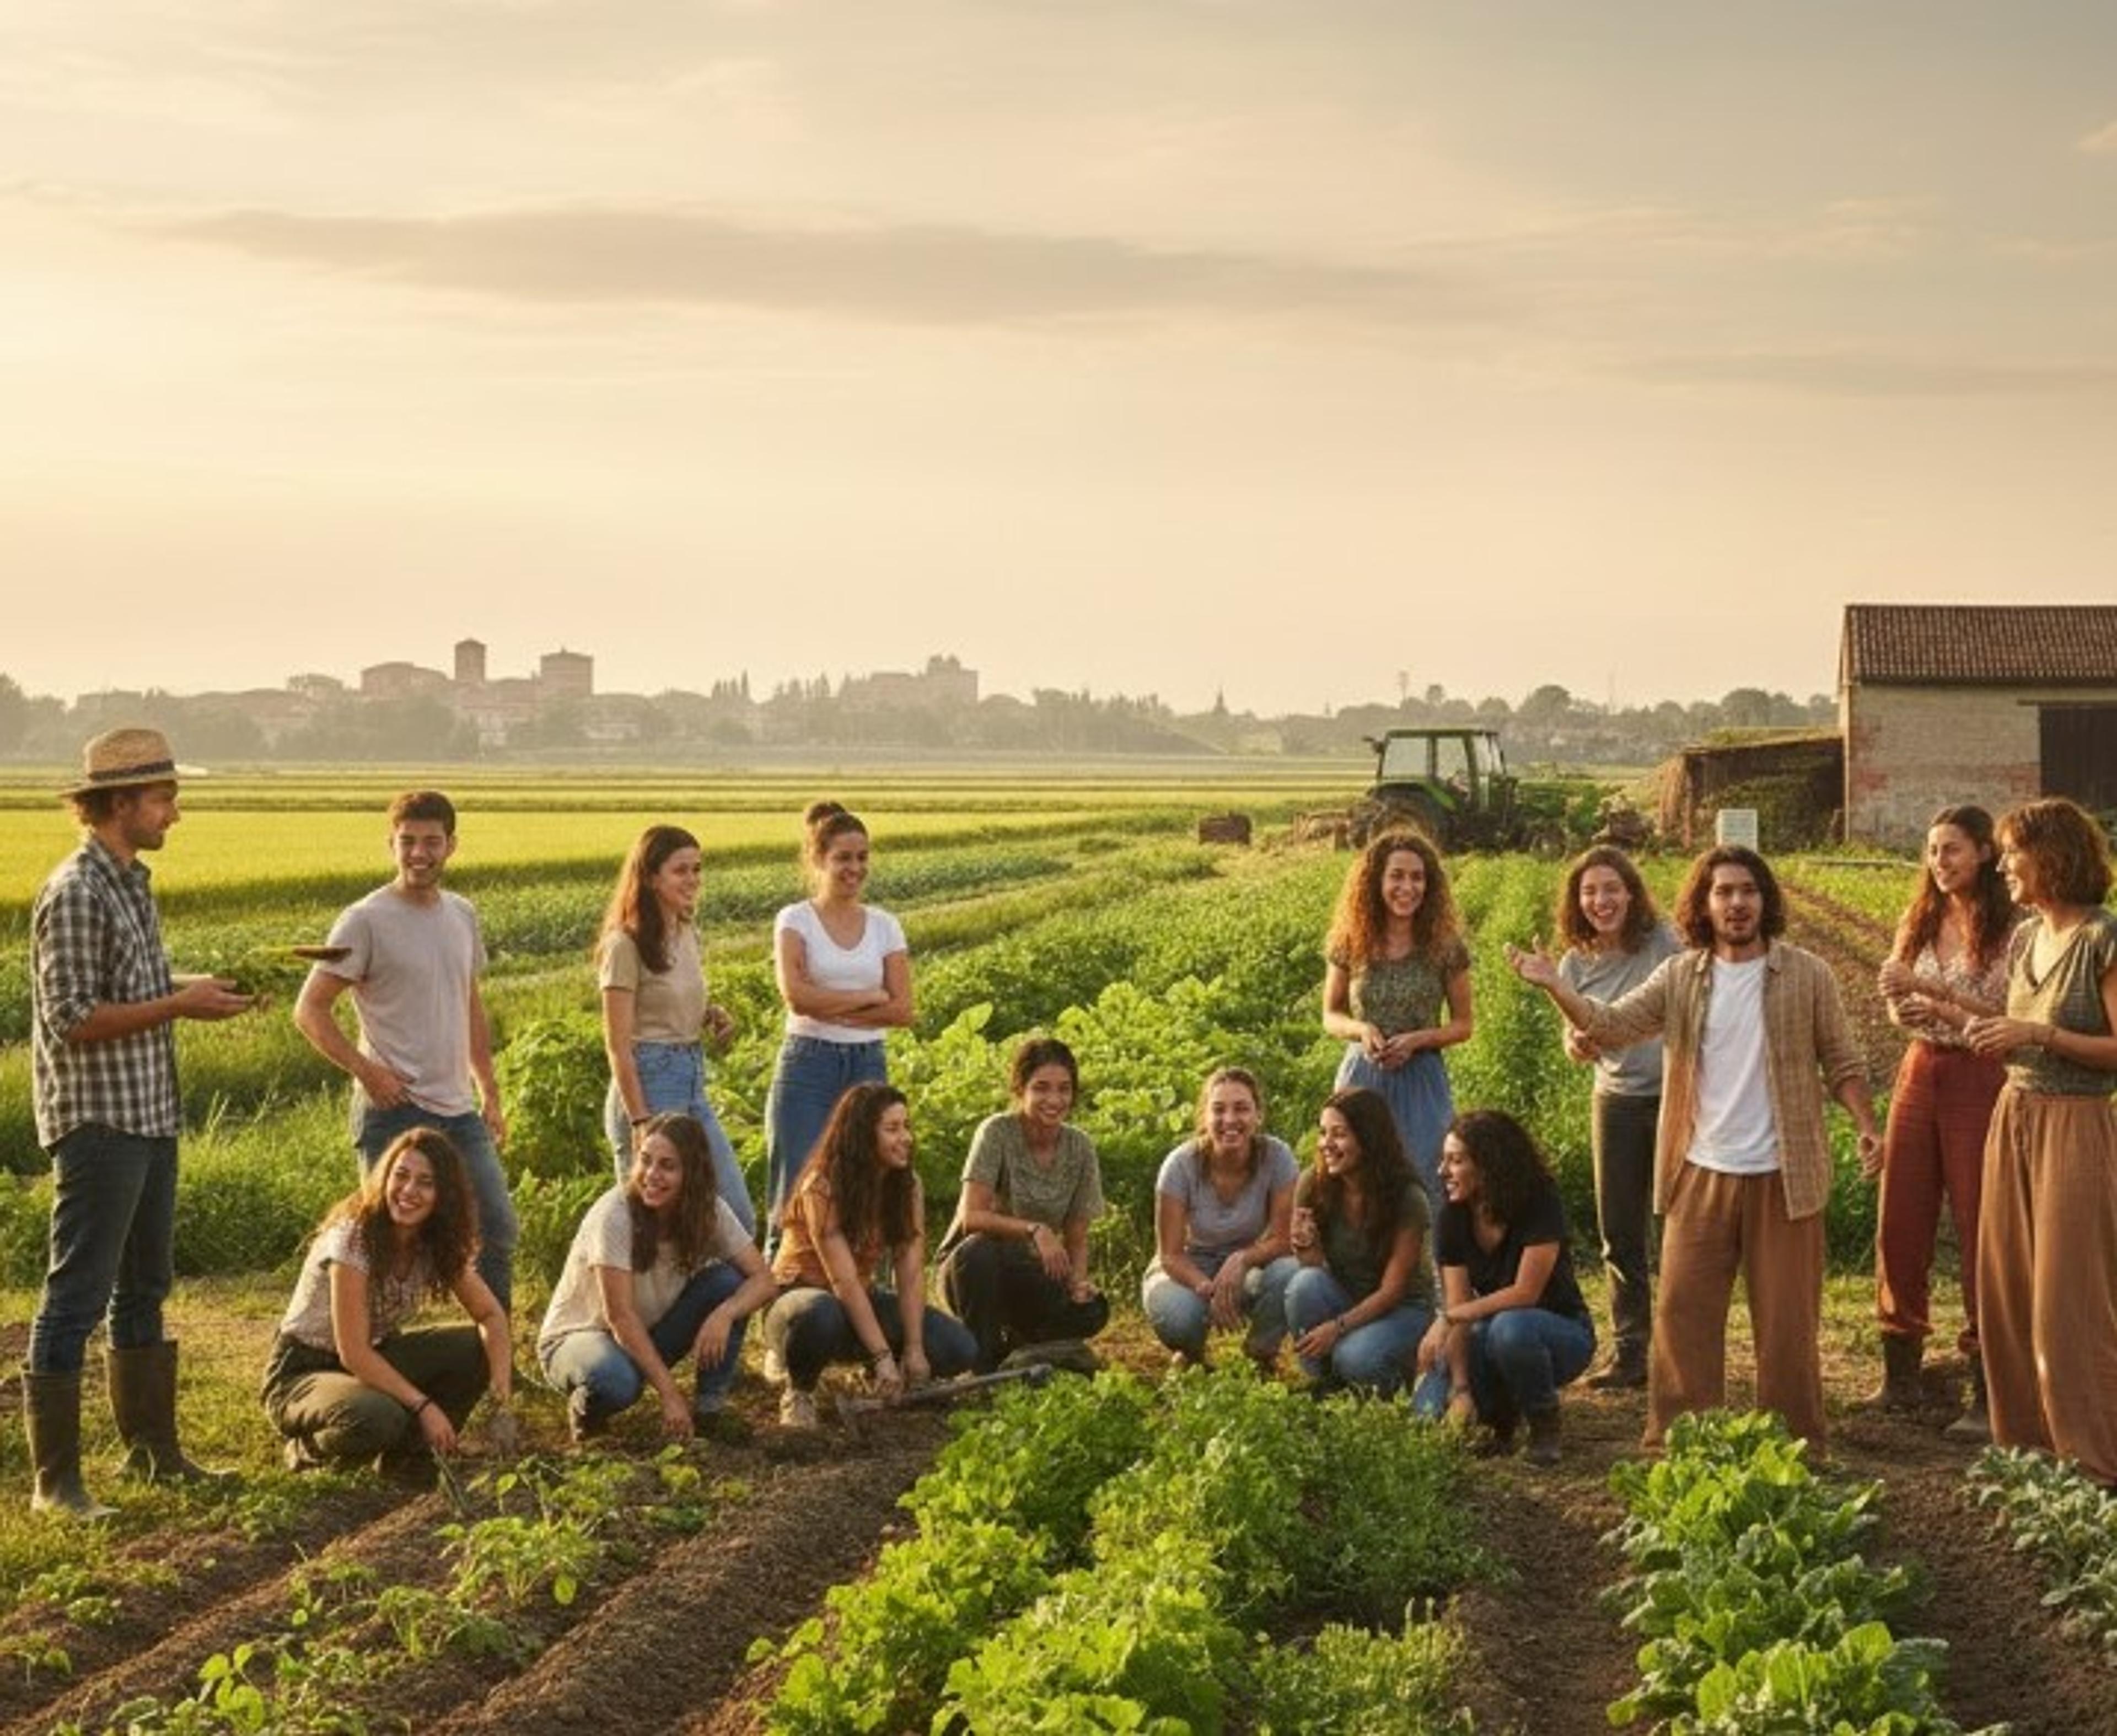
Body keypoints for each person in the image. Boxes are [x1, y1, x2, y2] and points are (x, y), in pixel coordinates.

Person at [1506, 845, 1880, 1450]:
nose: (1737, 903)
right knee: (1684, 1319)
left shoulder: (1807, 974)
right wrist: (1555, 985)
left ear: (1765, 900)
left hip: (1785, 1174)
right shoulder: (1682, 975)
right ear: (1704, 905)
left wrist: (1866, 1123)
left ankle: (1795, 1448)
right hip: (1701, 1171)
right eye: (1723, 892)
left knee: (1787, 1326)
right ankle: (1682, 1443)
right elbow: (1611, 1024)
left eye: (1748, 890)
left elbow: (1843, 1060)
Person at [24, 727, 256, 1518]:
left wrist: (206, 989)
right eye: (164, 798)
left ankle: (154, 1455)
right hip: (100, 1120)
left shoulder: (130, 882)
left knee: (145, 1286)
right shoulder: (76, 891)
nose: (175, 813)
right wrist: (179, 1004)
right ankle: (56, 1483)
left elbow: (139, 984)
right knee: (77, 1294)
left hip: (151, 1111)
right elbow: (71, 1017)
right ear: (119, 802)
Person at [294, 790, 519, 1311]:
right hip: (393, 1109)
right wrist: (368, 1071)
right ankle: (364, 1345)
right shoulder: (365, 920)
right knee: (383, 1244)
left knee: (497, 1227)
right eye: (408, 841)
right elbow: (310, 1009)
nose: (419, 853)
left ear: (451, 845)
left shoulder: (462, 914)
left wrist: (488, 1089)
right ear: (391, 844)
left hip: (458, 1108)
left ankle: (493, 1344)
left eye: (431, 842)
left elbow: (469, 1004)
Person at [1964, 799, 2117, 1486]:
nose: (2002, 865)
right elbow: (2019, 1028)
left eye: (2012, 852)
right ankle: (2029, 1449)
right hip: (2015, 1114)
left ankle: (2094, 1462)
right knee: (2010, 1286)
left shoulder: (2102, 938)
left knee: (2070, 1299)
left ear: (2051, 855)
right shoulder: (2028, 936)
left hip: (2077, 1124)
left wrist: (2038, 1034)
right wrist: (1957, 1014)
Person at [1868, 805, 2014, 1437]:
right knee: (1900, 1215)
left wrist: (1936, 1002)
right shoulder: (1919, 917)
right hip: (1920, 1068)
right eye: (1931, 850)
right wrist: (1906, 1009)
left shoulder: (2014, 927)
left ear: (1984, 851)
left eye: (1951, 849)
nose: (1939, 861)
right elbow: (1896, 998)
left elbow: (2004, 1019)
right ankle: (1900, 1371)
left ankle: (1988, 1383)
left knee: (1981, 1220)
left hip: (1982, 1074)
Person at [262, 1127, 514, 1472]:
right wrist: (424, 1406)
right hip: (304, 1369)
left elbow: (491, 1316)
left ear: (444, 1195)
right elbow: (353, 1352)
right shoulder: (354, 1238)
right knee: (378, 1416)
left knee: (477, 1347)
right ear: (385, 1178)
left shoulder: (434, 1242)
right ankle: (309, 1449)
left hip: (375, 1356)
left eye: (426, 1183)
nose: (409, 1191)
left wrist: (502, 1404)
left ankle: (412, 1455)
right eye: (401, 1175)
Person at [538, 1113, 777, 1443]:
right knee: (616, 1382)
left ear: (692, 1174)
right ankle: (588, 1410)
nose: (651, 1175)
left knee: (728, 1284)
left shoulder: (709, 1211)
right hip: (582, 1337)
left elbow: (764, 1280)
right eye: (645, 1160)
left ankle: (709, 1411)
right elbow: (620, 1317)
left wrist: (725, 1314)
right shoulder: (615, 1215)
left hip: (646, 1333)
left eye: (668, 1166)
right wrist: (670, 1395)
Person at [761, 1084, 975, 1428]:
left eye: (906, 1126)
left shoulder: (908, 1186)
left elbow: (910, 1273)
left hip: (858, 1299)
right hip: (800, 1300)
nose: (906, 1138)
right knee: (820, 1313)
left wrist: (914, 1348)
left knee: (958, 1348)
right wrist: (883, 1356)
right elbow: (842, 1281)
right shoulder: (821, 1185)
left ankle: (875, 1374)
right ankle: (798, 1388)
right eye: (892, 1129)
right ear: (861, 1135)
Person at [1553, 845, 1681, 1390]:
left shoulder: (1663, 942)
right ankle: (1631, 1350)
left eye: (1611, 889)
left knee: (1677, 1226)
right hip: (1616, 1099)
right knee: (1620, 1229)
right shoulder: (1573, 964)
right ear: (1577, 901)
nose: (1600, 900)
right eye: (1589, 891)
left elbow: (1688, 1003)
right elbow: (1573, 1036)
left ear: (1631, 893)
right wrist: (1577, 1044)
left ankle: (1680, 1348)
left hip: (1675, 1096)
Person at [762, 802, 912, 1255]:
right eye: (843, 857)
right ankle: (784, 1282)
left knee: (868, 1180)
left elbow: (902, 1008)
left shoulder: (885, 925)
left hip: (868, 1062)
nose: (855, 868)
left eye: (862, 857)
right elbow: (796, 996)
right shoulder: (795, 919)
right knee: (796, 1179)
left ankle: (866, 1282)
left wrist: (830, 1005)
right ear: (818, 858)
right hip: (808, 1061)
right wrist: (869, 998)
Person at [597, 825, 754, 1237]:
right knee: (658, 1231)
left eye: (697, 869)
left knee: (735, 1216)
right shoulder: (624, 945)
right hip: (649, 1083)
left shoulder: (686, 932)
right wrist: (640, 1120)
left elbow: (668, 999)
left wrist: (709, 1014)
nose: (693, 879)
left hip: (692, 1080)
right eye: (680, 870)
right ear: (651, 877)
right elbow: (617, 1045)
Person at [1412, 1111, 1595, 1464]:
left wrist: (1449, 1318)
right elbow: (1458, 1302)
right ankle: (1498, 1419)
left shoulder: (1540, 1202)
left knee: (1510, 1328)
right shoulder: (1452, 1217)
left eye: (1456, 1161)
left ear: (1488, 1166)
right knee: (1428, 1415)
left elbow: (1526, 1292)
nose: (1442, 1171)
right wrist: (1461, 1388)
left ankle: (1544, 1424)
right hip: (1490, 1331)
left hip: (1560, 1332)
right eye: (1444, 1159)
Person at [934, 1038, 1110, 1371]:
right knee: (980, 1253)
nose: (1054, 1100)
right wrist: (1035, 1230)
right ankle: (983, 1362)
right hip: (972, 1269)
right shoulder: (997, 1132)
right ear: (1021, 1089)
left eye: (1064, 1089)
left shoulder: (1080, 1147)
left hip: (1032, 1269)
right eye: (1041, 1088)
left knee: (1093, 1309)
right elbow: (972, 1217)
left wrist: (1077, 1284)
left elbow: (1077, 1239)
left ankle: (1023, 1347)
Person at [1322, 830, 1473, 1199]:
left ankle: (1423, 1240)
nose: (1408, 887)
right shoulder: (1350, 941)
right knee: (1356, 1180)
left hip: (1422, 1079)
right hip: (1363, 1077)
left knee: (1425, 1176)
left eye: (1417, 878)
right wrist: (1362, 1030)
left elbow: (1463, 1024)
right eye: (1397, 876)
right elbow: (1331, 1013)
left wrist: (1419, 1039)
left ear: (1429, 885)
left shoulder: (1445, 947)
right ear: (1377, 882)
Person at [1140, 1068, 1302, 1370]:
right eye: (1218, 1110)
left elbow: (1284, 1241)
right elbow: (1170, 1255)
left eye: (1241, 1109)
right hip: (1188, 1266)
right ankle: (1191, 1354)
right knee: (1178, 1317)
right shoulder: (1180, 1165)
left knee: (1292, 1272)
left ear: (1258, 1115)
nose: (1230, 1120)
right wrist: (1208, 1288)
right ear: (1204, 1117)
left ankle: (1261, 1353)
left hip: (1248, 1266)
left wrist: (1242, 1259)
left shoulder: (1277, 1157)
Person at [1286, 1088, 1436, 1396]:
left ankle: (1395, 1379)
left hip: (1404, 1308)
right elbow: (1313, 1267)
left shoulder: (1408, 1197)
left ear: (1369, 1138)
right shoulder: (1313, 1183)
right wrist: (1306, 1248)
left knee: (1353, 1357)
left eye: (1339, 1134)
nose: (1326, 1144)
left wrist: (1337, 1327)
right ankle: (1323, 1382)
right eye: (1323, 1133)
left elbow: (1392, 1291)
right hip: (1349, 1295)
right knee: (1304, 1284)